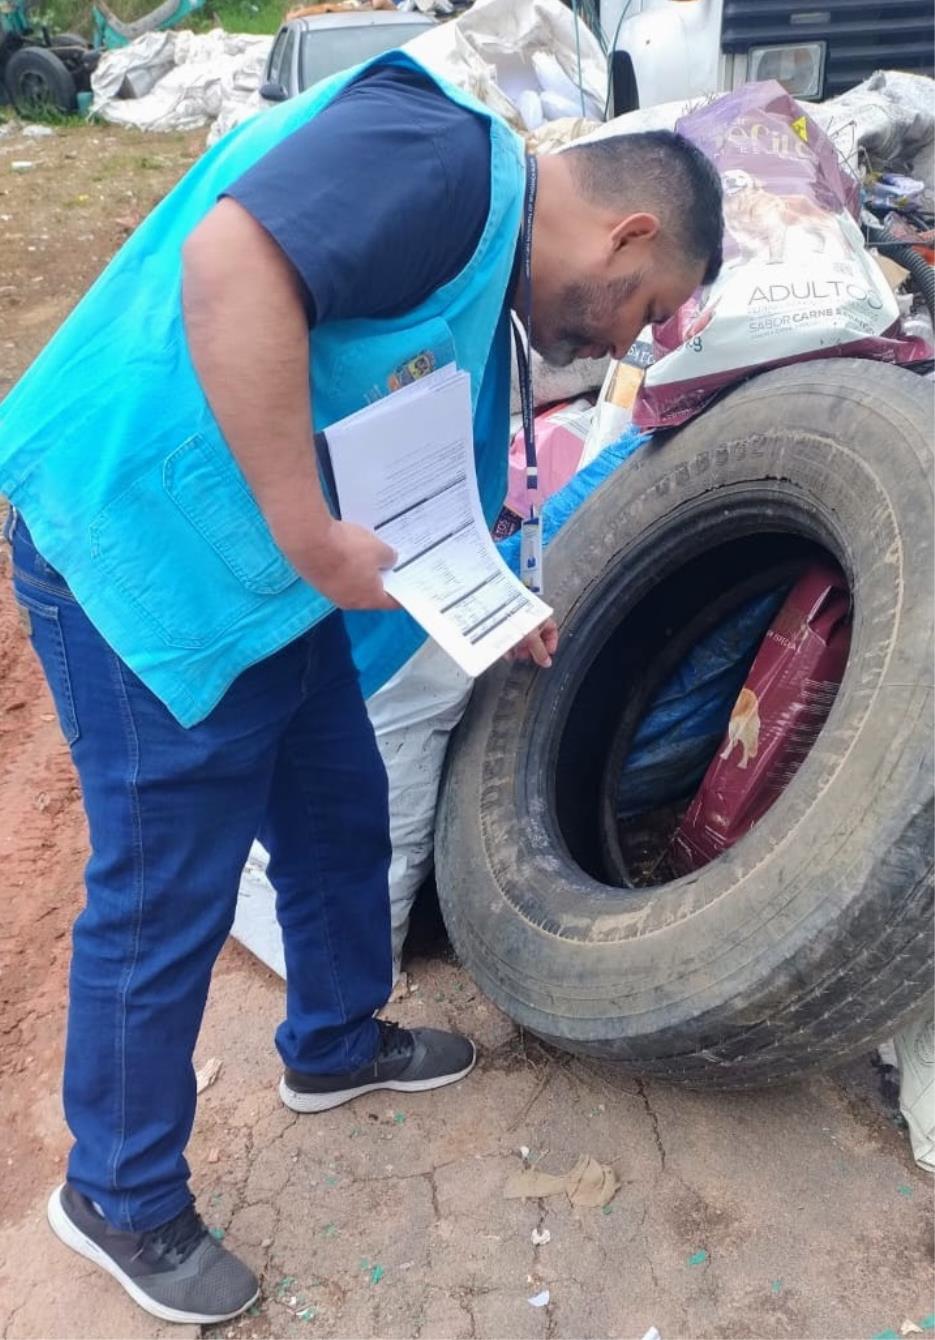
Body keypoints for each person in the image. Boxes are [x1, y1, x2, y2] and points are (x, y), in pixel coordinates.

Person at [0, 50, 723, 1327]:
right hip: (138, 542)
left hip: (254, 573)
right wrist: (310, 534)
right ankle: (116, 1189)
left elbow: (405, 454)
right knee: (164, 881)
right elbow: (233, 263)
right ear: (626, 231)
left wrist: (488, 600)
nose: (625, 343)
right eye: (645, 306)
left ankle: (332, 1043)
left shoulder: (485, 255)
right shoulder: (441, 157)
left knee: (336, 808)